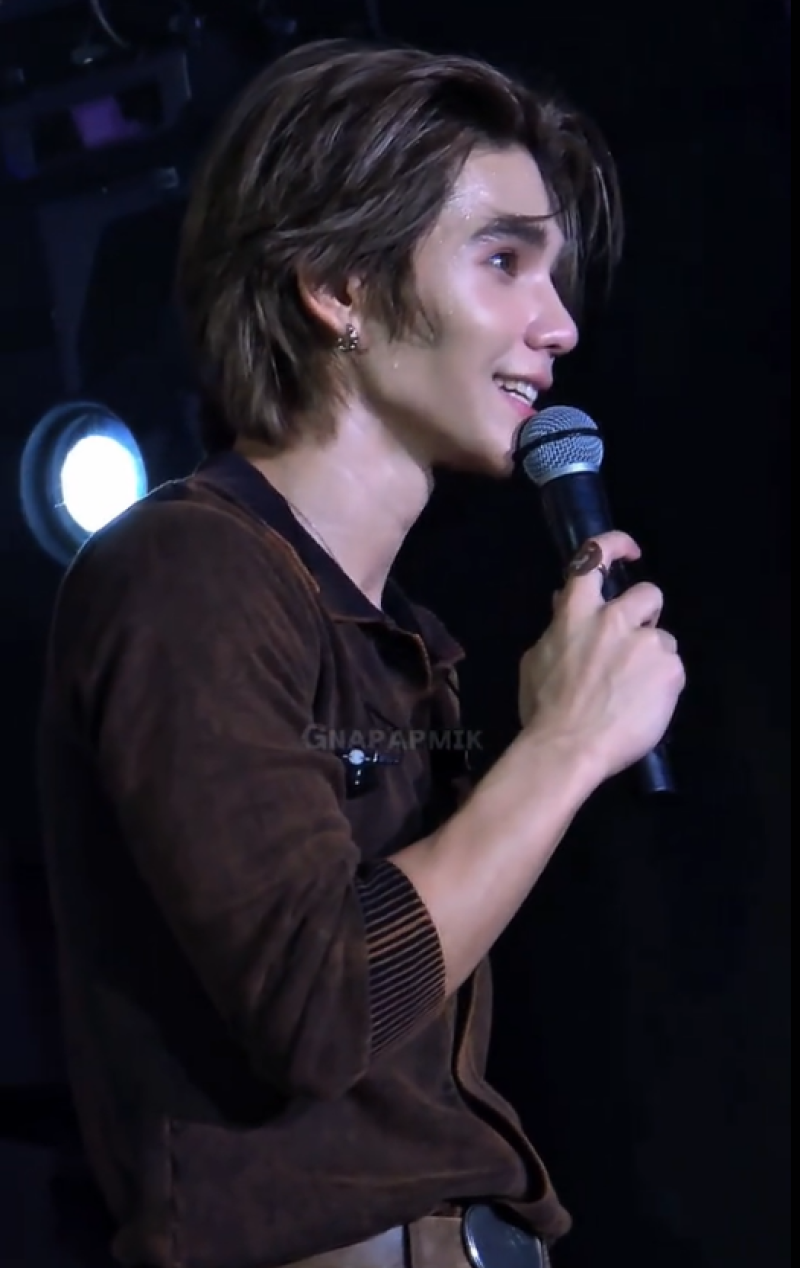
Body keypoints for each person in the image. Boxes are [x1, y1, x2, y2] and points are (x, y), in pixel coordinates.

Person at [37, 37, 685, 1268]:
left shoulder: (400, 641)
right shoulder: (183, 573)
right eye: (502, 260)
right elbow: (320, 1007)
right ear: (338, 285)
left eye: (552, 275)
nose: (556, 324)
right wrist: (560, 746)